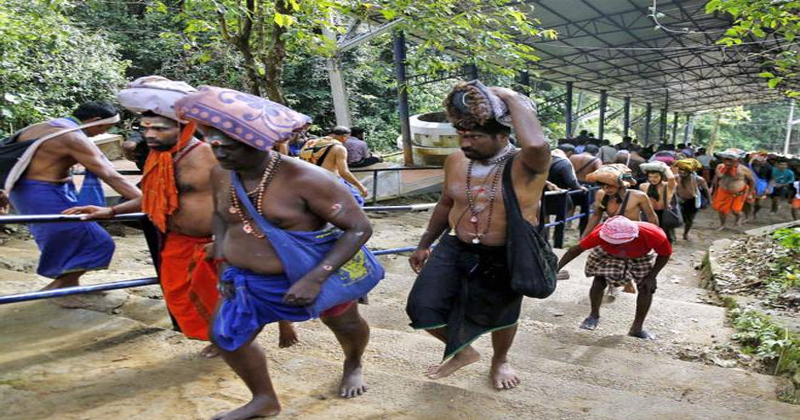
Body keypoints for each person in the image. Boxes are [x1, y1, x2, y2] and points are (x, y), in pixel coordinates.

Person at [174, 86, 379, 419]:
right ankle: (264, 399)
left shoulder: (308, 178)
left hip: (312, 275)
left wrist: (315, 278)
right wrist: (224, 262)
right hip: (246, 279)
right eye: (214, 143)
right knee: (225, 336)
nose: (220, 151)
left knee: (346, 324)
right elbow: (222, 218)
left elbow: (359, 228)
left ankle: (353, 363)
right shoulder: (220, 173)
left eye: (229, 145)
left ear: (258, 142)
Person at [65, 77, 226, 357]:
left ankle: (229, 344)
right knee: (183, 298)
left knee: (219, 300)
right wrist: (111, 211)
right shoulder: (159, 157)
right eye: (146, 128)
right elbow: (152, 196)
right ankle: (220, 339)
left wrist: (226, 240)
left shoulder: (210, 158)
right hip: (176, 241)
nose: (150, 135)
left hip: (213, 243)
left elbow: (239, 201)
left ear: (184, 128)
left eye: (160, 129)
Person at [407, 82, 550, 390]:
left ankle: (500, 360)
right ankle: (464, 351)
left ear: (502, 135)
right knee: (422, 307)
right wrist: (423, 244)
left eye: (475, 136)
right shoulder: (456, 161)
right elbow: (446, 202)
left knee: (503, 314)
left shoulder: (527, 165)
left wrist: (510, 98)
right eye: (462, 134)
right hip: (455, 246)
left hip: (505, 254)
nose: (465, 142)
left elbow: (537, 146)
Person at [0, 102, 140, 296]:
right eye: (104, 128)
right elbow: (111, 175)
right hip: (42, 193)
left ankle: (68, 285)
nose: (102, 133)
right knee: (97, 241)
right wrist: (144, 199)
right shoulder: (72, 137)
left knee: (69, 236)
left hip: (29, 191)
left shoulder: (44, 126)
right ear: (95, 120)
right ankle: (59, 289)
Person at [557, 216, 672, 340]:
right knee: (599, 281)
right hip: (607, 254)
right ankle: (593, 315)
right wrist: (556, 269)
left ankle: (637, 328)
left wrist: (652, 276)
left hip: (640, 255)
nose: (615, 244)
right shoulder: (599, 234)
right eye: (611, 241)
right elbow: (576, 250)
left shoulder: (653, 235)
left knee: (646, 288)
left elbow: (665, 254)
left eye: (617, 243)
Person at [299, 126, 369, 202]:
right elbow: (344, 172)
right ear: (344, 136)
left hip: (310, 180)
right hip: (330, 180)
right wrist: (361, 186)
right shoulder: (339, 148)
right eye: (347, 138)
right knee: (357, 201)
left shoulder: (311, 143)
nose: (346, 140)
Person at [712, 149, 755, 229]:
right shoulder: (720, 167)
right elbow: (717, 177)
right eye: (726, 160)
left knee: (736, 210)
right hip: (723, 191)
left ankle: (739, 217)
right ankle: (722, 224)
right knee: (721, 210)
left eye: (730, 160)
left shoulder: (743, 169)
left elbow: (752, 180)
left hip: (739, 193)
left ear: (736, 160)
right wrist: (712, 187)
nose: (727, 162)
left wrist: (750, 193)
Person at [639, 161, 677, 243]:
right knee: (649, 236)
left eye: (656, 177)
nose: (653, 179)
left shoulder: (667, 186)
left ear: (661, 177)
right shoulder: (643, 186)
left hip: (664, 214)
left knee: (665, 237)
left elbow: (671, 178)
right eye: (650, 177)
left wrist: (665, 167)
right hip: (649, 214)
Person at [675, 159, 711, 241]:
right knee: (677, 218)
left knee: (689, 219)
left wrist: (709, 201)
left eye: (685, 170)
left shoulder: (699, 180)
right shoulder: (675, 178)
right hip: (679, 200)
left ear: (690, 171)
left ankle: (685, 233)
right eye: (681, 169)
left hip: (692, 201)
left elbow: (706, 190)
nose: (682, 172)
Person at [744, 154, 772, 222]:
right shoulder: (747, 166)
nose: (760, 161)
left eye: (761, 160)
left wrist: (768, 187)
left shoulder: (768, 167)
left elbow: (771, 179)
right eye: (757, 160)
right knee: (748, 203)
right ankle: (747, 216)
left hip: (762, 188)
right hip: (750, 187)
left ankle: (755, 213)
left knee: (759, 204)